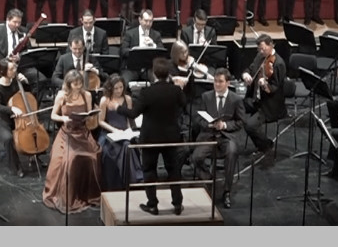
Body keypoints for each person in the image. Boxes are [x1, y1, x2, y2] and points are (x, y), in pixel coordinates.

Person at [118, 58, 186, 216]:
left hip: (150, 138)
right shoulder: (176, 91)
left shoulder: (147, 92)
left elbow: (133, 113)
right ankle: (177, 204)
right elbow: (184, 104)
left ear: (154, 73)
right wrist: (181, 88)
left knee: (149, 171)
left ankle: (152, 205)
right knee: (173, 170)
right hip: (170, 137)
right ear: (168, 74)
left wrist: (119, 109)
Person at [43, 69, 103, 214]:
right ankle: (69, 195)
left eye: (80, 83)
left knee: (93, 157)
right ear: (69, 84)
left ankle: (87, 194)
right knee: (69, 160)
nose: (78, 86)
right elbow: (53, 115)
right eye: (75, 84)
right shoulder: (62, 96)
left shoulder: (86, 95)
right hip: (67, 134)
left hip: (82, 133)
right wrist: (63, 118)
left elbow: (88, 114)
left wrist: (90, 116)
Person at [190, 68, 243, 208]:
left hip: (227, 136)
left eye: (220, 82)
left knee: (232, 152)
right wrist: (208, 124)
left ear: (228, 83)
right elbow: (198, 118)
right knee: (196, 157)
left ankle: (227, 191)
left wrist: (224, 125)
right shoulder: (206, 97)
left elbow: (240, 122)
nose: (217, 84)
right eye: (215, 81)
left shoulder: (236, 99)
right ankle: (208, 178)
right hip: (209, 135)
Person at [96, 75, 143, 190]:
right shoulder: (105, 100)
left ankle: (131, 180)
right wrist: (114, 130)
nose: (119, 91)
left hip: (124, 131)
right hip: (109, 133)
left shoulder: (127, 99)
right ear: (110, 88)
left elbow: (128, 118)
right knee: (113, 149)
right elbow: (100, 121)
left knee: (128, 145)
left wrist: (129, 131)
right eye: (116, 88)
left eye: (121, 87)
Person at [239, 35, 284, 153]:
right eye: (259, 49)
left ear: (271, 45)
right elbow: (250, 69)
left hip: (268, 104)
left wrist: (265, 85)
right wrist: (246, 75)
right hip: (255, 99)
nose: (261, 52)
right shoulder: (260, 57)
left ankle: (266, 145)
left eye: (263, 49)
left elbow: (275, 87)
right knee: (233, 106)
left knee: (249, 126)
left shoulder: (278, 63)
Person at [0, 9, 48, 87]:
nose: (17, 25)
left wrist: (19, 57)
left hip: (20, 66)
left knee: (41, 79)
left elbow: (28, 51)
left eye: (19, 22)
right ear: (8, 20)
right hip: (3, 68)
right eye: (14, 22)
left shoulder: (23, 31)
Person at [0, 59, 35, 175]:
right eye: (11, 69)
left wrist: (26, 83)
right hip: (2, 118)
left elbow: (27, 95)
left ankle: (35, 156)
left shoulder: (15, 81)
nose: (15, 70)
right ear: (3, 72)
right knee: (9, 138)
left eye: (15, 67)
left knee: (32, 131)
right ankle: (16, 167)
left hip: (18, 117)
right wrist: (11, 109)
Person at [119, 9, 164, 84]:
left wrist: (154, 45)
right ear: (140, 20)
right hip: (132, 69)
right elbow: (123, 51)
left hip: (149, 68)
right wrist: (135, 51)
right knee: (124, 83)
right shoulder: (130, 33)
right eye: (146, 21)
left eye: (150, 21)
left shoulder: (156, 35)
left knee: (158, 82)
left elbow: (162, 52)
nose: (148, 24)